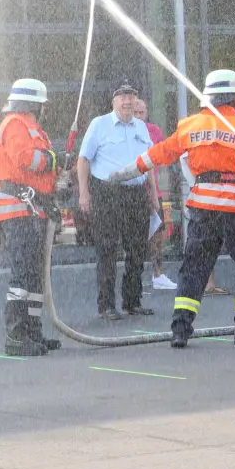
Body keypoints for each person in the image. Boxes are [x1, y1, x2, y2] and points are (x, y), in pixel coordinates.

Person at [108, 70, 235, 347]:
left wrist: (121, 173)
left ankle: (180, 328)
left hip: (203, 208)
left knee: (194, 269)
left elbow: (158, 154)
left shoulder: (190, 125)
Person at [0, 78, 63, 357]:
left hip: (33, 207)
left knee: (34, 276)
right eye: (42, 105)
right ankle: (16, 336)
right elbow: (26, 159)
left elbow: (40, 164)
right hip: (19, 208)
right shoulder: (15, 124)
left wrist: (56, 171)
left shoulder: (32, 127)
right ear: (35, 103)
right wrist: (53, 160)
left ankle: (32, 332)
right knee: (22, 273)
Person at [77, 83, 157, 320]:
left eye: (131, 97)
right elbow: (83, 160)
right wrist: (84, 193)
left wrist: (152, 193)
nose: (127, 102)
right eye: (122, 97)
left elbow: (148, 162)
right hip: (107, 193)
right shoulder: (99, 125)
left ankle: (133, 301)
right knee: (108, 250)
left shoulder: (141, 127)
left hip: (136, 193)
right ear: (113, 102)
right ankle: (107, 305)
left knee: (137, 249)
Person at [133, 98, 176, 290]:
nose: (140, 117)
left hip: (154, 190)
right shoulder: (125, 132)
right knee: (134, 236)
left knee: (157, 235)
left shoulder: (154, 131)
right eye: (136, 113)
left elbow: (163, 160)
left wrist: (163, 192)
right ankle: (135, 276)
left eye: (142, 112)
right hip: (133, 191)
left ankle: (158, 274)